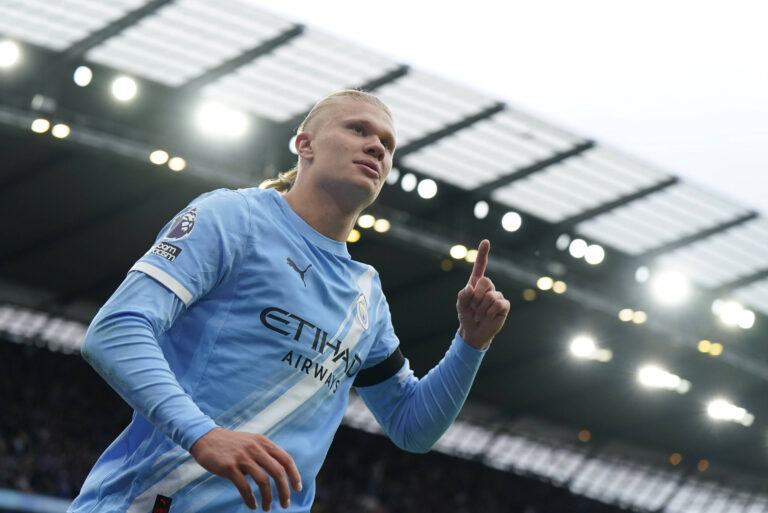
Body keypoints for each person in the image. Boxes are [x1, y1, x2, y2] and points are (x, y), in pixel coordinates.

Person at [68, 90, 510, 513]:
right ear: (305, 145)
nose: (377, 147)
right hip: (150, 503)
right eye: (359, 129)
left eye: (388, 144)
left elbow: (412, 426)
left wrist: (471, 344)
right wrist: (203, 435)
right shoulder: (234, 217)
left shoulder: (366, 294)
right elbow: (116, 329)